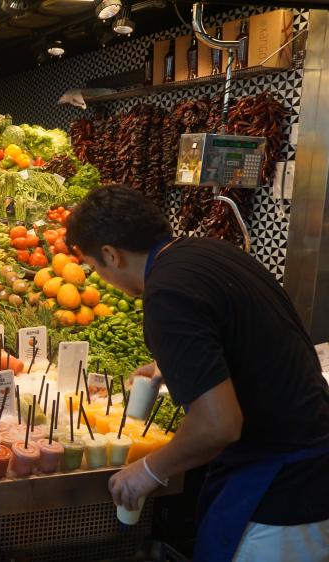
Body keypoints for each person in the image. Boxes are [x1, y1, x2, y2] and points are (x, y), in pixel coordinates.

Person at [65, 186, 329, 561]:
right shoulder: (209, 253)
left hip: (281, 493)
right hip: (310, 468)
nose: (103, 278)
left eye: (95, 268)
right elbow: (246, 342)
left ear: (111, 254)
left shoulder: (167, 293)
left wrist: (148, 471)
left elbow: (219, 425)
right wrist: (178, 365)